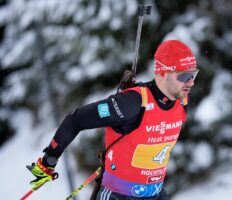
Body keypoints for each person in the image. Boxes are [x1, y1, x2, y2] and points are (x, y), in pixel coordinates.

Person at [27, 39, 199, 200]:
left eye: (193, 75)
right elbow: (76, 119)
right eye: (184, 76)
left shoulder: (182, 102)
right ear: (162, 72)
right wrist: (50, 159)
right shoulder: (132, 103)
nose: (191, 82)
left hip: (157, 193)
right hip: (119, 195)